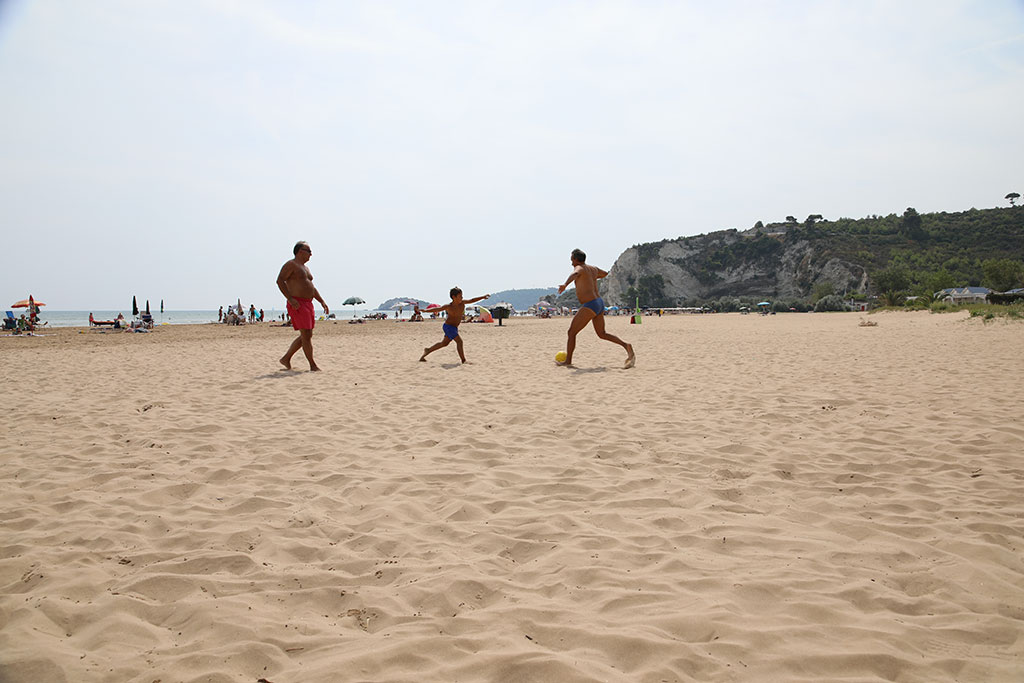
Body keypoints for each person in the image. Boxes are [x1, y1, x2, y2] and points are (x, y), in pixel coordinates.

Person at [557, 248, 635, 369]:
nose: (571, 261)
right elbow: (604, 274)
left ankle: (568, 361)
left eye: (572, 259)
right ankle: (627, 346)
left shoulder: (579, 268)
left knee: (571, 332)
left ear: (576, 259)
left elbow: (575, 274)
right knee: (602, 334)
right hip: (599, 303)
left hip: (590, 304)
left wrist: (565, 284)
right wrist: (591, 276)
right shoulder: (593, 269)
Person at [277, 241, 329, 371]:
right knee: (305, 334)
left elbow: (311, 287)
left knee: (307, 335)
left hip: (308, 303)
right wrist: (290, 298)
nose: (311, 254)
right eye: (308, 251)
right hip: (297, 303)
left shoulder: (306, 268)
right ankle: (312, 365)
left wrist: (321, 301)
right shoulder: (291, 264)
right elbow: (280, 280)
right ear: (300, 251)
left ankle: (286, 358)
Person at [419, 287, 489, 363]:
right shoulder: (449, 306)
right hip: (448, 327)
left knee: (444, 343)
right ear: (453, 297)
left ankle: (428, 350)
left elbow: (472, 300)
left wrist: (483, 297)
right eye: (460, 296)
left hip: (454, 328)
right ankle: (463, 360)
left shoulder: (462, 303)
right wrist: (426, 311)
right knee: (459, 341)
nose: (462, 298)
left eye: (462, 296)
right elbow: (437, 309)